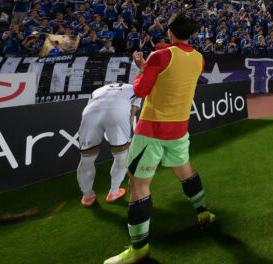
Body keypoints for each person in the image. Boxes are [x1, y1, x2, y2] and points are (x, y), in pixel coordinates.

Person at [105, 15, 213, 264]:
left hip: (152, 130)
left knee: (138, 185)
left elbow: (140, 90)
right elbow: (174, 76)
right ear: (192, 35)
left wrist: (141, 67)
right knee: (186, 172)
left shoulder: (160, 56)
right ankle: (203, 212)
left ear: (170, 32)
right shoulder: (199, 59)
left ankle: (139, 248)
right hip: (179, 128)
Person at [77, 83, 142, 207]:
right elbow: (132, 111)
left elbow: (88, 109)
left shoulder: (98, 90)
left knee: (86, 158)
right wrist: (127, 136)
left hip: (90, 113)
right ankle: (114, 192)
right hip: (118, 111)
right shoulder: (135, 88)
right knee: (121, 156)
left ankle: (87, 196)